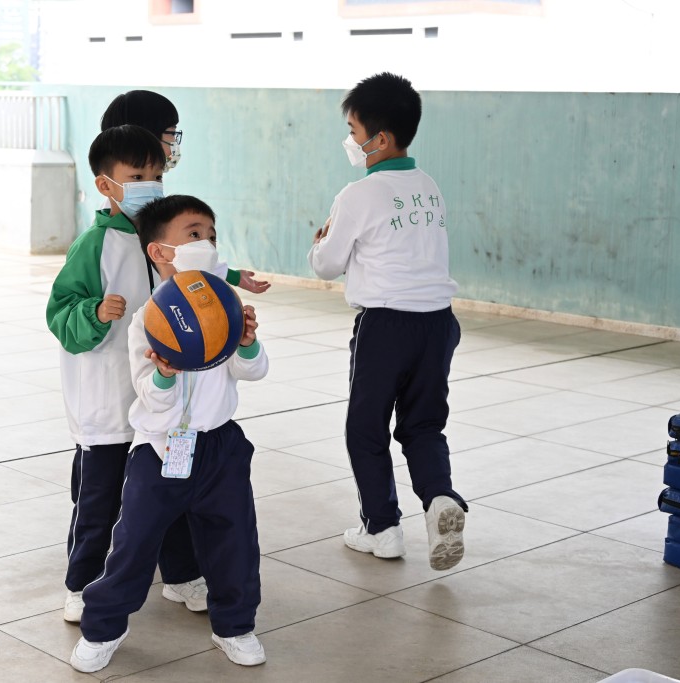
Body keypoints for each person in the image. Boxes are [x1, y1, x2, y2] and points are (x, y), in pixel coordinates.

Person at [71, 194, 269, 673]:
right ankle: (103, 628)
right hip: (160, 451)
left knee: (234, 541)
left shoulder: (225, 303)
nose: (208, 243)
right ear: (161, 253)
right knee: (134, 545)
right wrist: (164, 373)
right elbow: (149, 394)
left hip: (219, 445)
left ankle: (235, 626)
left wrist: (247, 343)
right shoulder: (148, 319)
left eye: (212, 235)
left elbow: (254, 371)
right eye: (195, 234)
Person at [46, 125, 208, 624]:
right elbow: (60, 315)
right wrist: (95, 312)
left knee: (173, 490)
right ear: (105, 184)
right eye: (137, 175)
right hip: (108, 404)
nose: (150, 185)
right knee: (100, 501)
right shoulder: (93, 245)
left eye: (156, 174)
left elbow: (202, 280)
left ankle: (181, 576)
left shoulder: (164, 239)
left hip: (164, 400)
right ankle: (83, 582)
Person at [308, 72, 469, 571]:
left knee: (366, 428)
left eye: (354, 131)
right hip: (438, 324)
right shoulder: (429, 187)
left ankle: (382, 530)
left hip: (386, 327)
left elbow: (326, 264)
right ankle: (439, 497)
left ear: (380, 138)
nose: (351, 142)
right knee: (423, 424)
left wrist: (321, 241)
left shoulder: (357, 195)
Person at [100, 89, 271, 295]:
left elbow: (186, 254)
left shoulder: (154, 207)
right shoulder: (103, 239)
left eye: (156, 178)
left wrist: (232, 276)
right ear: (145, 137)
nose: (174, 146)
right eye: (171, 134)